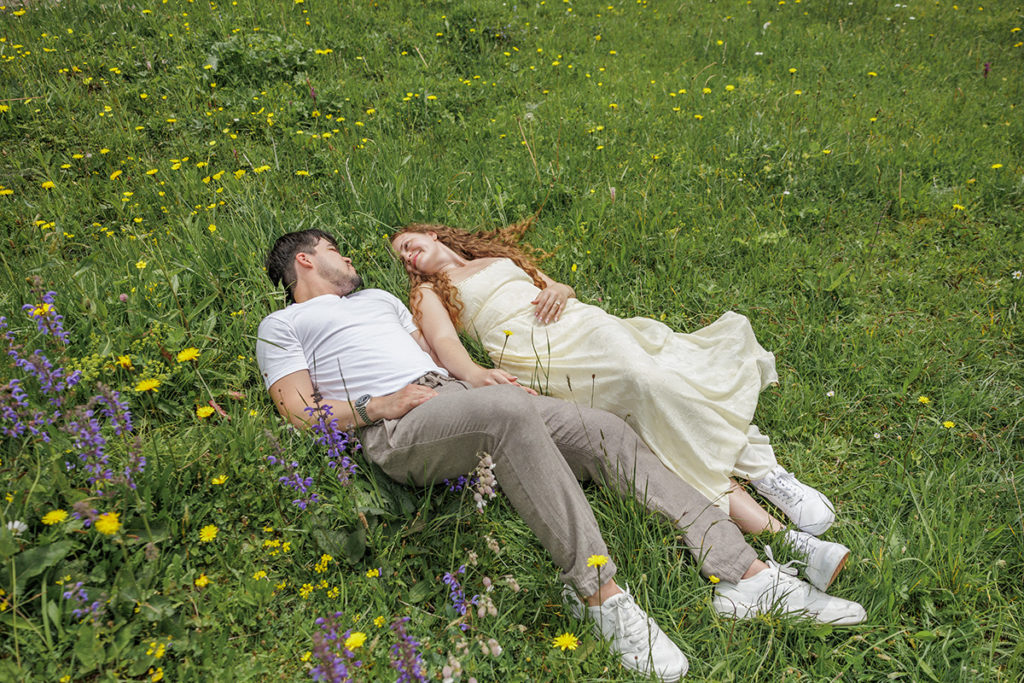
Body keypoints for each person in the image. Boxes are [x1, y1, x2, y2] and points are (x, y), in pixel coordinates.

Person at [256, 229, 867, 682]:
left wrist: (480, 376)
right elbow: (299, 411)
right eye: (340, 250)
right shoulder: (280, 327)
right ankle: (602, 597)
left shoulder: (385, 303)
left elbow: (442, 354)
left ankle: (747, 577)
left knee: (604, 430)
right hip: (399, 425)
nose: (353, 258)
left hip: (458, 399)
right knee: (509, 417)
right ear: (305, 259)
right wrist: (380, 405)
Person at [390, 221, 850, 592]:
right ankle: (778, 528)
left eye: (410, 244)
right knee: (644, 401)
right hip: (533, 356)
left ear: (433, 234)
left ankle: (766, 480)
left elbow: (558, 287)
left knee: (651, 379)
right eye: (403, 258)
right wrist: (474, 375)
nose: (410, 257)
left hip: (579, 326)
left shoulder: (497, 257)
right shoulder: (429, 292)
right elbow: (445, 342)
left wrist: (560, 290)